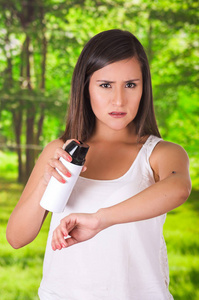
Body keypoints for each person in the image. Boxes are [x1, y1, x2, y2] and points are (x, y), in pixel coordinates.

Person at [6, 29, 191, 300]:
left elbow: (178, 189)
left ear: (143, 88)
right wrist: (47, 181)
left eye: (130, 85)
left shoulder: (161, 154)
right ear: (85, 87)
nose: (119, 100)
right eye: (105, 85)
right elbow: (17, 238)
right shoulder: (59, 152)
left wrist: (100, 220)